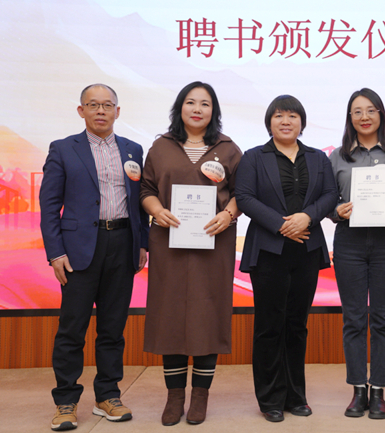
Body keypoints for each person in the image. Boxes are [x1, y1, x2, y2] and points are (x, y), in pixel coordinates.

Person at [40, 84, 149, 431]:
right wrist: (55, 252)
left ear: (118, 111)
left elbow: (139, 202)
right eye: (93, 105)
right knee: (72, 328)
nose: (101, 111)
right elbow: (48, 205)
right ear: (81, 110)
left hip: (123, 243)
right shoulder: (63, 149)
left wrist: (143, 243)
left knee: (113, 328)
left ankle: (108, 395)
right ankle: (66, 401)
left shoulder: (133, 149)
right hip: (78, 249)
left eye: (107, 105)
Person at [140, 82, 242, 426]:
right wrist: (156, 209)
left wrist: (228, 214)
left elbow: (243, 193)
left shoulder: (228, 149)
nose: (197, 109)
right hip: (168, 242)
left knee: (207, 314)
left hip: (214, 243)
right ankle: (174, 397)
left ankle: (200, 396)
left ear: (214, 111)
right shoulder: (161, 147)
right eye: (190, 102)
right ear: (179, 107)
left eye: (205, 104)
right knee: (170, 314)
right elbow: (146, 188)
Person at [235, 95, 338, 423]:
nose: (286, 121)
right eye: (279, 115)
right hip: (269, 250)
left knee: (297, 324)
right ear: (269, 122)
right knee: (269, 325)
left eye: (292, 116)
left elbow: (330, 195)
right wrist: (282, 225)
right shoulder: (254, 157)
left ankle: (296, 395)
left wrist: (306, 217)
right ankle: (270, 398)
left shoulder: (317, 158)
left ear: (301, 122)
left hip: (306, 250)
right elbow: (244, 197)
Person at [328, 88, 385, 419]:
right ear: (349, 118)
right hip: (349, 243)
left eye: (370, 110)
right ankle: (357, 390)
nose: (364, 117)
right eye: (357, 111)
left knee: (383, 318)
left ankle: (378, 390)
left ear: (381, 114)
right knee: (353, 318)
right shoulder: (337, 157)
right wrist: (337, 210)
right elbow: (328, 202)